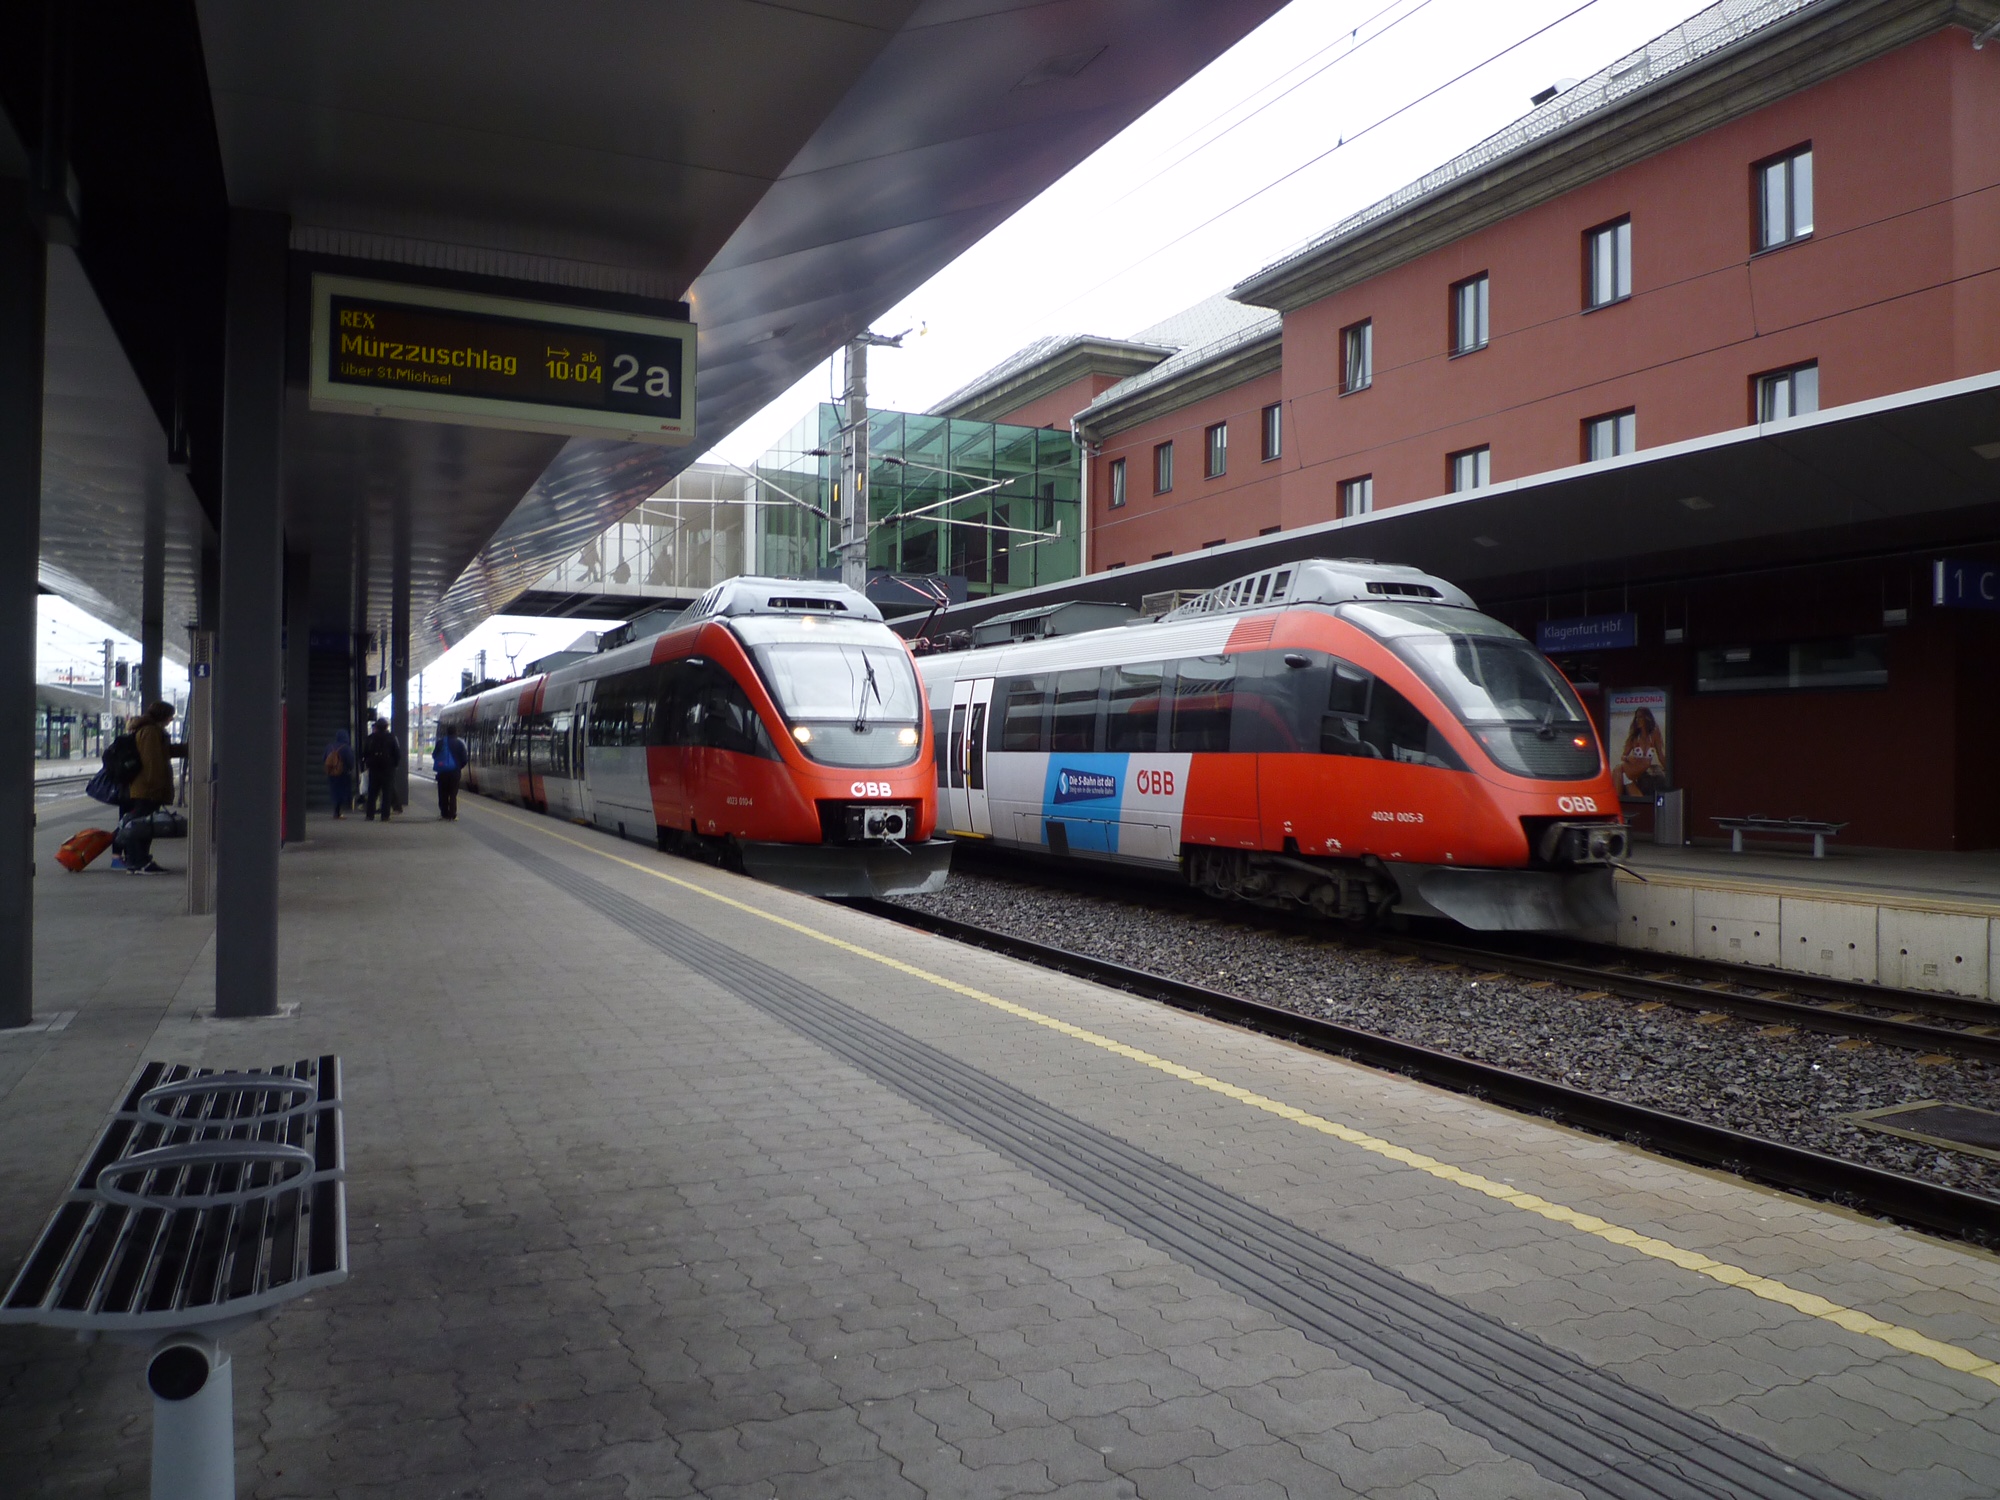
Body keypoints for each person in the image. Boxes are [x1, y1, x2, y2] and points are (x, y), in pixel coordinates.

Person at [119, 702, 186, 875]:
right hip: (147, 788)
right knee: (142, 826)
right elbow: (152, 762)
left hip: (146, 787)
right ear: (162, 715)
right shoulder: (150, 732)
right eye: (170, 715)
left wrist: (188, 748)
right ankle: (138, 861)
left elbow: (164, 752)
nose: (172, 719)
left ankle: (138, 861)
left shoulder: (152, 731)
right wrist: (155, 787)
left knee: (143, 825)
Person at [362, 717, 401, 821]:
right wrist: (395, 765)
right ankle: (385, 816)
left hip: (374, 769)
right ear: (386, 727)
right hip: (388, 769)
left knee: (372, 792)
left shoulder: (370, 738)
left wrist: (367, 763)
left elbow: (364, 753)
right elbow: (397, 753)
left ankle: (370, 815)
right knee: (386, 793)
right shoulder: (392, 737)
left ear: (377, 727)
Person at [432, 724, 469, 820]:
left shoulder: (440, 743)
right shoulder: (460, 744)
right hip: (455, 773)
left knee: (443, 793)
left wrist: (442, 764)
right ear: (456, 733)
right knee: (453, 794)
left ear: (446, 733)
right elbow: (465, 759)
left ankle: (444, 813)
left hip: (442, 772)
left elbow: (434, 755)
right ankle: (452, 814)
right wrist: (458, 767)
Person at [324, 729, 355, 818]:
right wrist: (349, 769)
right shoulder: (346, 748)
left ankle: (336, 809)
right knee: (342, 791)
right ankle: (339, 810)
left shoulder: (330, 746)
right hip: (343, 773)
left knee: (334, 790)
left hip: (332, 773)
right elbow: (350, 761)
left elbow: (325, 758)